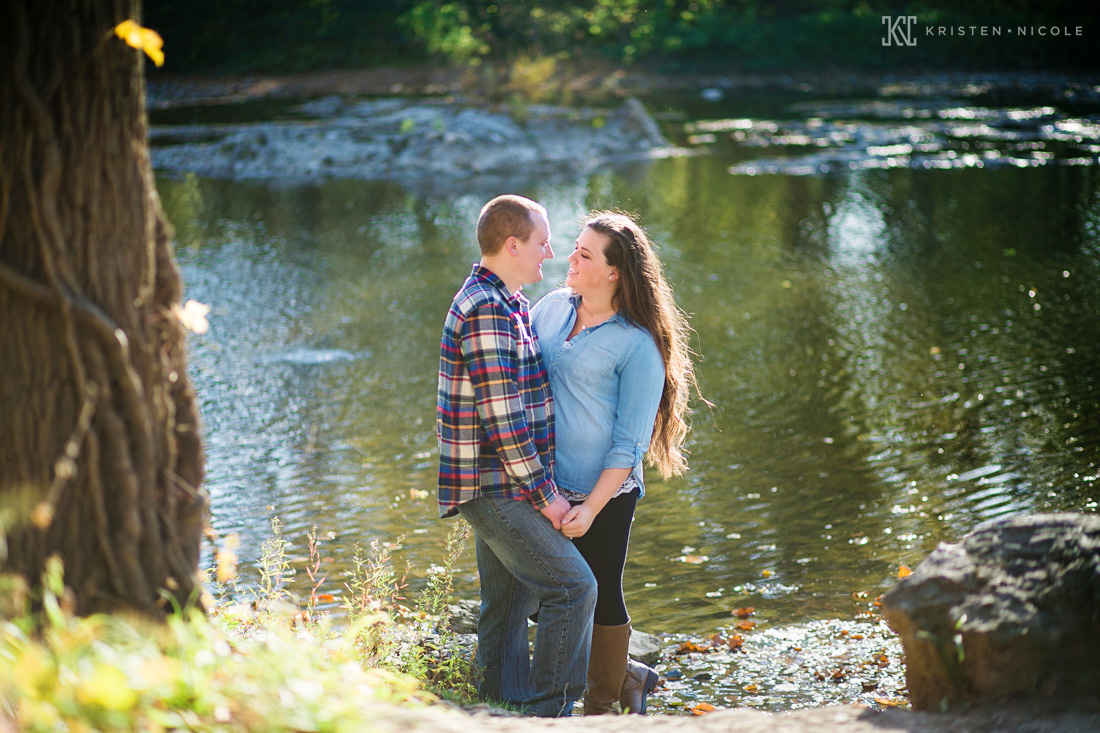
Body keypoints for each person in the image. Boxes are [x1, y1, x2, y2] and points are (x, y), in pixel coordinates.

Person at [531, 211, 699, 715]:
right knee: (549, 599)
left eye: (584, 254)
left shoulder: (637, 345)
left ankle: (602, 709)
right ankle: (628, 675)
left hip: (604, 493)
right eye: (574, 247)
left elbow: (628, 446)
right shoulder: (552, 307)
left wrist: (591, 508)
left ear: (614, 273)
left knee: (601, 597)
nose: (570, 258)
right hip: (543, 490)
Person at [436, 194, 597, 717]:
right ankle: (549, 714)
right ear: (511, 245)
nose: (549, 253)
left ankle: (496, 713)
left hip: (505, 484)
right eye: (541, 242)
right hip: (494, 487)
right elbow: (504, 424)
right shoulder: (485, 309)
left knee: (507, 607)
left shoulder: (508, 301)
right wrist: (549, 499)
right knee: (573, 590)